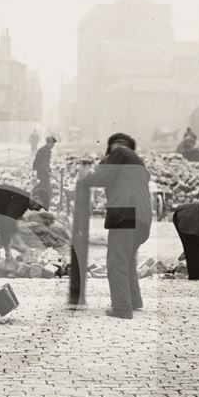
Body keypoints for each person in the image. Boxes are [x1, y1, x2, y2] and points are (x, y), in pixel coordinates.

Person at [75, 133, 152, 319]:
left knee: (116, 261)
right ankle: (134, 300)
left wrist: (84, 178)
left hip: (126, 211)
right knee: (128, 259)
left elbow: (103, 176)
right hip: (144, 216)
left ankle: (121, 308)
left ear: (113, 148)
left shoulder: (119, 153)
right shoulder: (137, 164)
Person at [0, 184, 45, 275]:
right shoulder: (21, 200)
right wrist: (22, 245)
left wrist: (7, 251)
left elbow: (4, 226)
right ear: (35, 197)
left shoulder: (21, 200)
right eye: (39, 206)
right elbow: (8, 223)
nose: (37, 210)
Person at [32, 134, 56, 208]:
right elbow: (38, 162)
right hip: (42, 173)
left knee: (45, 188)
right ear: (49, 143)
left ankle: (44, 202)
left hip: (44, 172)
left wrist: (49, 170)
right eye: (52, 144)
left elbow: (46, 163)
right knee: (44, 188)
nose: (53, 145)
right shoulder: (43, 150)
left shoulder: (47, 150)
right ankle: (42, 203)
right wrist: (35, 172)